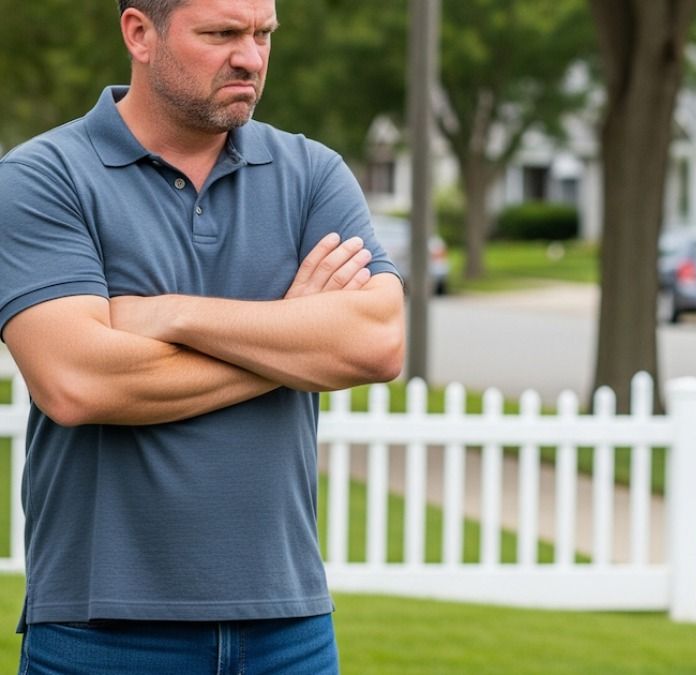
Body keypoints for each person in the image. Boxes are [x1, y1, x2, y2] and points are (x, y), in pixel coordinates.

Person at [0, 0, 405, 672]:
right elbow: (78, 382)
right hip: (102, 630)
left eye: (262, 34)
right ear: (139, 34)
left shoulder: (311, 174)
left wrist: (171, 314)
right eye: (221, 34)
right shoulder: (43, 178)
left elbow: (378, 342)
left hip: (291, 626)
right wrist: (294, 341)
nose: (249, 57)